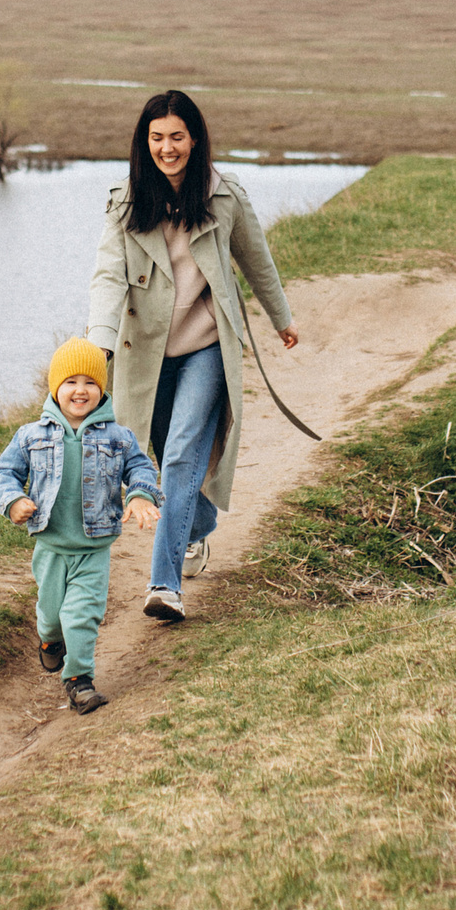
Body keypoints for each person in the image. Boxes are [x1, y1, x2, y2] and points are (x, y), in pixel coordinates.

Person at [87, 90, 298, 624]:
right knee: (165, 468)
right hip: (147, 358)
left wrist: (282, 318)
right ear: (145, 143)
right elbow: (109, 275)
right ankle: (196, 526)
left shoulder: (224, 196)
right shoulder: (126, 201)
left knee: (182, 458)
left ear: (195, 138)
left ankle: (165, 585)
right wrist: (100, 342)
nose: (167, 148)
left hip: (206, 348)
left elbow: (257, 259)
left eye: (176, 137)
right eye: (156, 138)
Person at [0, 338, 161, 714]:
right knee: (51, 617)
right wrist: (13, 501)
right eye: (70, 382)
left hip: (93, 548)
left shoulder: (118, 437)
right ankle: (50, 642)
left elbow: (141, 468)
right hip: (51, 547)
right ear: (55, 388)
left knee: (80, 615)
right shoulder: (31, 436)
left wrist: (140, 495)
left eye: (90, 382)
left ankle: (78, 680)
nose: (80, 390)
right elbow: (4, 473)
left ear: (102, 390)